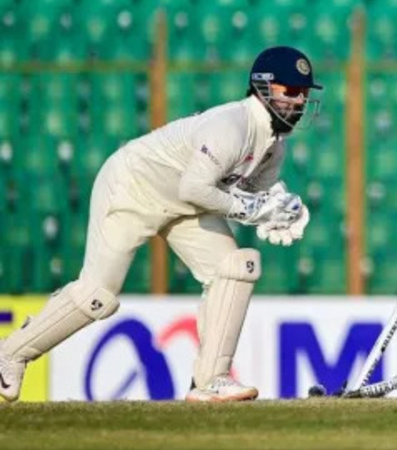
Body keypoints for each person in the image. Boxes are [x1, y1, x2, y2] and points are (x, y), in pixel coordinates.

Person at [0, 46, 320, 403]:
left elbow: (254, 196)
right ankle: (9, 355)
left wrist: (279, 209)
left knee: (238, 266)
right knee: (97, 295)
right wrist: (251, 211)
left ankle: (210, 381)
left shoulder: (275, 147)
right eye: (291, 92)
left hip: (185, 208)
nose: (299, 101)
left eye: (304, 94)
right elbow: (195, 187)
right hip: (132, 187)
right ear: (263, 86)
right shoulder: (232, 125)